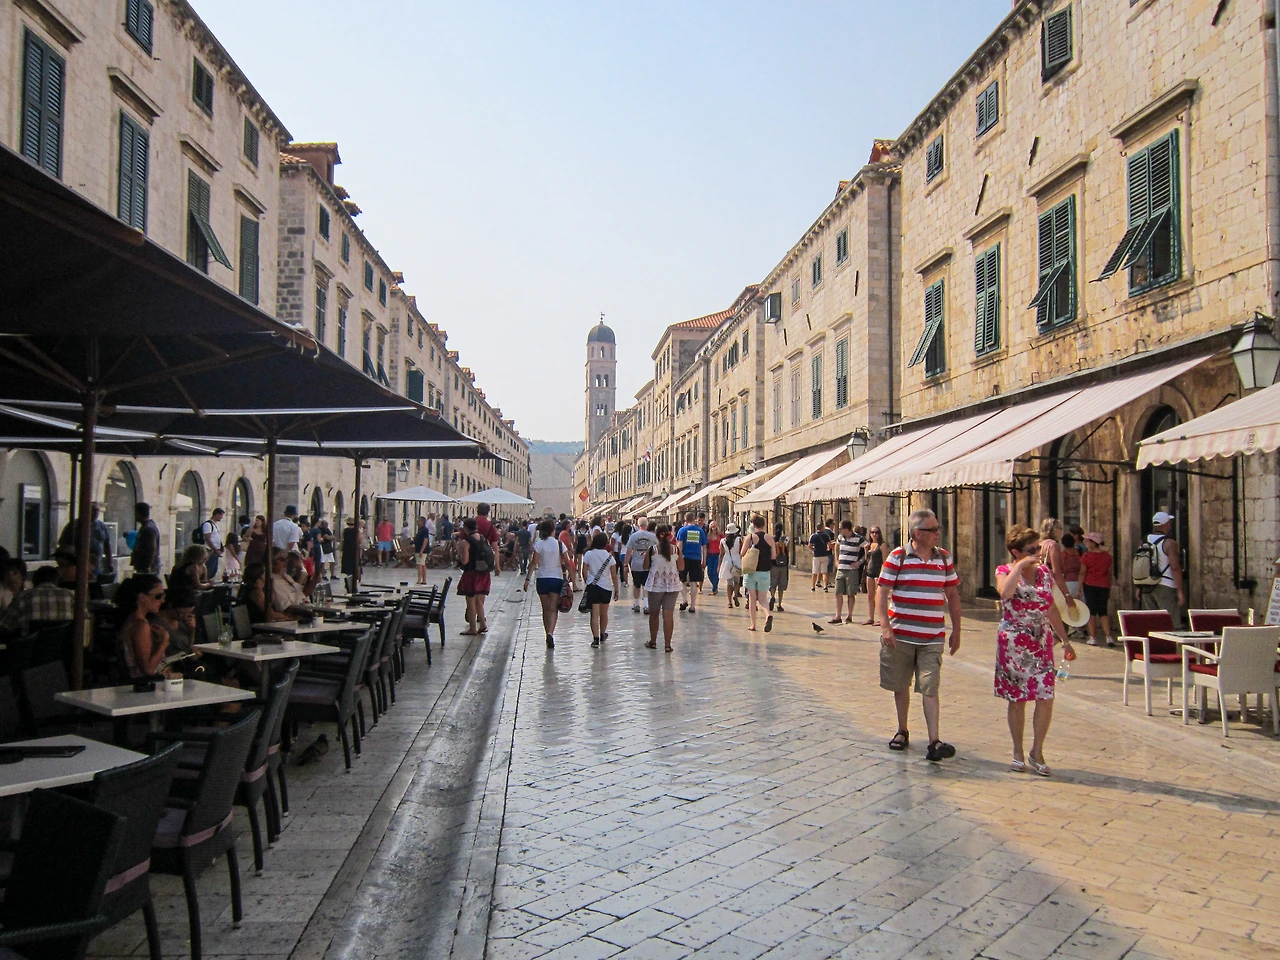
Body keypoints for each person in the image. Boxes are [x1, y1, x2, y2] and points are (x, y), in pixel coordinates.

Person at [877, 509, 962, 763]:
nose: (938, 533)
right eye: (933, 529)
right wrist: (885, 628)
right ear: (917, 533)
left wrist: (957, 630)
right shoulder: (898, 557)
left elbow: (952, 595)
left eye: (938, 528)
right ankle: (902, 729)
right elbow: (882, 592)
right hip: (901, 635)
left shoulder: (944, 558)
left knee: (930, 686)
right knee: (900, 685)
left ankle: (934, 741)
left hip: (932, 636)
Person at [996, 525, 1073, 777]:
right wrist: (1019, 567)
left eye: (1038, 548)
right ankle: (1017, 752)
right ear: (1016, 552)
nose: (1038, 553)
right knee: (1018, 699)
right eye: (1032, 549)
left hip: (1041, 640)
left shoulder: (1045, 574)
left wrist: (1065, 640)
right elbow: (1005, 593)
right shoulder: (1004, 571)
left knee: (1046, 696)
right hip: (1014, 641)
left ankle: (1037, 751)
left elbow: (1050, 608)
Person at [525, 520, 570, 648]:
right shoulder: (559, 544)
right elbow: (567, 562)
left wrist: (527, 579)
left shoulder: (539, 544)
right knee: (553, 608)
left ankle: (547, 633)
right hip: (556, 578)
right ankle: (551, 632)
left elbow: (534, 562)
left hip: (542, 578)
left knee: (545, 609)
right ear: (553, 530)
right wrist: (572, 577)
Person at [115, 574, 169, 678]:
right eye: (158, 596)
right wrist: (164, 642)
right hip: (146, 683)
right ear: (142, 597)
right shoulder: (140, 625)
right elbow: (147, 670)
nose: (162, 600)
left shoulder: (132, 620)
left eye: (163, 595)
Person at [0, 565, 74, 635]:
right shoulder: (70, 595)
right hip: (63, 643)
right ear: (57, 580)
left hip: (30, 643)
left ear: (34, 581)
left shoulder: (23, 597)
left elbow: (4, 624)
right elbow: (81, 621)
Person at [1142, 511, 1185, 628]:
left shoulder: (1144, 540)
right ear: (1166, 524)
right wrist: (1180, 590)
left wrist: (1138, 586)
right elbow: (1175, 567)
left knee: (1151, 621)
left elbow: (1141, 563)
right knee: (1171, 623)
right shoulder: (1169, 543)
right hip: (1166, 585)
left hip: (1147, 585)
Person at [644, 525, 681, 652]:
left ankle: (653, 641)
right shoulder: (676, 550)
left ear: (657, 535)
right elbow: (681, 566)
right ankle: (667, 645)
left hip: (655, 584)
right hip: (672, 583)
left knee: (654, 614)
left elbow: (645, 566)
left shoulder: (652, 550)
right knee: (668, 614)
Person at [58, 503, 114, 582]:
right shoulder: (74, 525)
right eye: (93, 510)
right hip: (78, 563)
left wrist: (110, 562)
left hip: (97, 563)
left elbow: (107, 545)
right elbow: (63, 543)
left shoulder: (101, 526)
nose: (96, 513)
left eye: (97, 510)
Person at [582, 533, 620, 648]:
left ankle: (595, 639)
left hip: (593, 587)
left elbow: (584, 571)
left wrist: (588, 582)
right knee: (604, 614)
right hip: (606, 587)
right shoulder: (610, 557)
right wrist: (617, 589)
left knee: (594, 615)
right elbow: (614, 575)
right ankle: (603, 634)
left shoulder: (588, 554)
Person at [456, 518, 494, 635]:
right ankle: (482, 624)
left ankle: (472, 628)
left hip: (472, 573)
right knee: (479, 601)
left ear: (466, 528)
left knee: (471, 601)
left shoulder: (466, 542)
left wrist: (460, 555)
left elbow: (465, 561)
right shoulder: (483, 538)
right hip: (484, 572)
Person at [1079, 532, 1114, 646]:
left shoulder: (1086, 556)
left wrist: (1078, 588)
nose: (1085, 542)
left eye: (1087, 540)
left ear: (1093, 543)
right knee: (1103, 611)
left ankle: (1093, 637)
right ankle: (1108, 636)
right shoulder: (1107, 556)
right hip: (1104, 585)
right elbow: (1109, 572)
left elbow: (1082, 573)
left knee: (1091, 611)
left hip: (1090, 584)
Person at [741, 516, 775, 632]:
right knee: (763, 599)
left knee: (752, 598)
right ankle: (768, 615)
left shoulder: (750, 537)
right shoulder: (770, 538)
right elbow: (773, 556)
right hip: (764, 572)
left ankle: (753, 624)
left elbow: (742, 553)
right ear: (764, 525)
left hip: (752, 571)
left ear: (753, 525)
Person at [832, 521, 865, 624]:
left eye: (841, 528)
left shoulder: (858, 538)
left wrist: (859, 562)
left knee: (850, 594)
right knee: (838, 593)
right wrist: (836, 560)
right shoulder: (840, 537)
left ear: (847, 529)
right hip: (841, 569)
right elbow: (836, 546)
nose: (839, 530)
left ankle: (849, 616)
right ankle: (838, 616)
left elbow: (868, 549)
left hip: (851, 570)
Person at [625, 518, 658, 613]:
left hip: (636, 564)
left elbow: (628, 551)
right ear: (647, 525)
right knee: (646, 585)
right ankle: (646, 605)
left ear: (638, 525)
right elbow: (657, 549)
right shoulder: (652, 536)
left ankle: (636, 604)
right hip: (648, 564)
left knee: (636, 585)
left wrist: (626, 564)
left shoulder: (633, 536)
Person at [675, 512, 706, 612]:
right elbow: (704, 547)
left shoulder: (682, 530)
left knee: (681, 580)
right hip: (696, 558)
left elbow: (679, 545)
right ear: (694, 519)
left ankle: (684, 599)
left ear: (685, 519)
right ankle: (693, 605)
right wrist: (704, 560)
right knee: (694, 582)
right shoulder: (700, 531)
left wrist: (677, 558)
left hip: (684, 557)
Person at [131, 501, 161, 575]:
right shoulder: (145, 527)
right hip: (143, 567)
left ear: (138, 513)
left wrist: (148, 567)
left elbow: (152, 548)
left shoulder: (148, 529)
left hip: (146, 568)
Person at [864, 526, 885, 625]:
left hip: (878, 572)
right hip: (870, 572)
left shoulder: (882, 545)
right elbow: (867, 560)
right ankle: (871, 618)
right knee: (870, 596)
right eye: (872, 532)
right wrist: (866, 551)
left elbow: (885, 561)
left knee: (879, 597)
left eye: (876, 532)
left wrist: (882, 574)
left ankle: (881, 618)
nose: (874, 534)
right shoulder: (869, 545)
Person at [720, 523, 743, 608]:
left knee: (729, 582)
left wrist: (719, 565)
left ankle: (729, 602)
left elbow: (721, 554)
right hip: (737, 560)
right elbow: (741, 550)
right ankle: (735, 595)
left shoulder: (723, 541)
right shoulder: (739, 539)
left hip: (727, 561)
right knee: (737, 581)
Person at [199, 508, 225, 579]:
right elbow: (208, 539)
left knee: (213, 569)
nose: (221, 518)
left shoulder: (214, 524)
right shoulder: (208, 525)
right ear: (216, 515)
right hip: (210, 550)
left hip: (215, 550)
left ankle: (209, 580)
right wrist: (215, 550)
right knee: (209, 567)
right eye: (221, 515)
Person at [769, 523, 789, 612]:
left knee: (773, 583)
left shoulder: (771, 539)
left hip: (774, 564)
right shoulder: (786, 539)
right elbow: (788, 550)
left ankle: (772, 596)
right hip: (784, 565)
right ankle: (779, 604)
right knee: (781, 585)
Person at [810, 521, 833, 591]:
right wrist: (828, 549)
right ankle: (825, 586)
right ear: (822, 528)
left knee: (815, 571)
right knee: (824, 571)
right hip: (824, 555)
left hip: (816, 555)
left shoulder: (813, 536)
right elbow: (829, 545)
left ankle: (813, 586)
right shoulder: (826, 535)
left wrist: (813, 549)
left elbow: (809, 545)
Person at [559, 521, 579, 590]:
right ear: (567, 525)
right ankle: (574, 585)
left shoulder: (562, 533)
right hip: (567, 554)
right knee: (573, 569)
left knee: (568, 569)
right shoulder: (566, 533)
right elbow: (569, 543)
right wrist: (572, 550)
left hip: (563, 554)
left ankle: (571, 583)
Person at [705, 522, 723, 596]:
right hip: (709, 554)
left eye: (714, 524)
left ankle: (714, 588)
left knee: (715, 572)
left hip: (717, 555)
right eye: (712, 524)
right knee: (709, 572)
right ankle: (714, 585)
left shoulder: (720, 535)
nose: (713, 525)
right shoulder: (707, 535)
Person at [413, 516, 431, 584]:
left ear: (422, 522)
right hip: (418, 549)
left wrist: (421, 551)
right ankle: (423, 580)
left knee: (420, 564)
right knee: (422, 564)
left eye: (418, 521)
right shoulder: (420, 529)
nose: (417, 522)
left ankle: (419, 579)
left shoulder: (424, 530)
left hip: (421, 550)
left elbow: (425, 540)